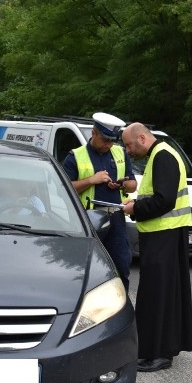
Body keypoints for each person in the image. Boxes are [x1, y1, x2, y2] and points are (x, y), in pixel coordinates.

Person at [121, 122, 192, 372]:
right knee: (161, 295)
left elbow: (164, 200)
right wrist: (138, 203)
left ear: (142, 138)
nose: (128, 151)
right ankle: (156, 349)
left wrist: (135, 209)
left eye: (129, 145)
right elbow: (159, 196)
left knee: (159, 296)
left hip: (165, 235)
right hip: (162, 235)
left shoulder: (163, 157)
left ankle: (160, 354)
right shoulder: (159, 155)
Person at [62, 112, 137, 291]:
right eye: (105, 140)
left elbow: (133, 185)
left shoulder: (119, 152)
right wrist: (90, 180)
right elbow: (63, 188)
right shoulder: (75, 156)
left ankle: (121, 306)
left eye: (111, 140)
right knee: (86, 269)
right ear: (94, 133)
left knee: (121, 265)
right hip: (88, 220)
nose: (108, 145)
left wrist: (121, 185)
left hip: (116, 218)